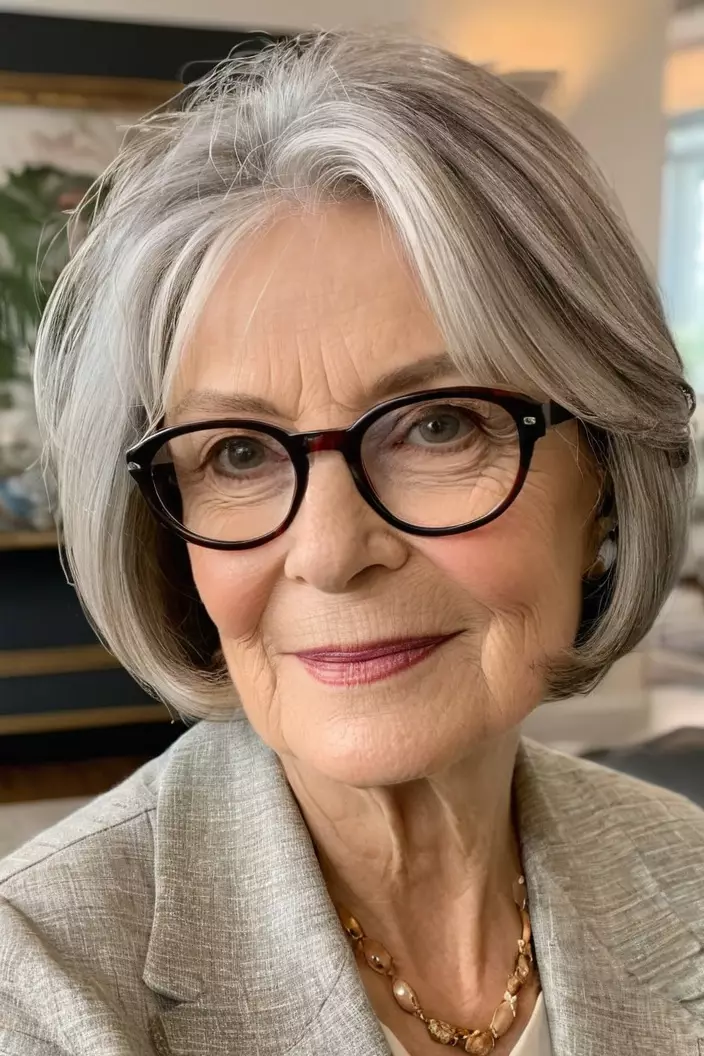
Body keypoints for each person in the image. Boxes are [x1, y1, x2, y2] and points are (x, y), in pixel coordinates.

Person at [1, 30, 702, 1056]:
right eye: (238, 452)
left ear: (604, 472)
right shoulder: (35, 979)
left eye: (438, 426)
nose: (330, 553)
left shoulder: (687, 869)